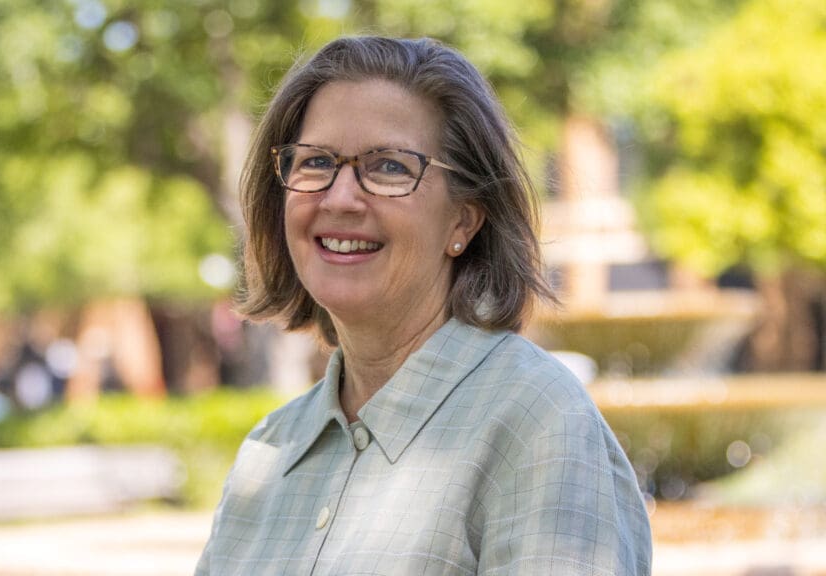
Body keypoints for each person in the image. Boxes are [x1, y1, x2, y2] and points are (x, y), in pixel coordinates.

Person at [196, 36, 652, 575]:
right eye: (316, 162)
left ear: (464, 219)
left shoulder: (539, 426)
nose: (340, 198)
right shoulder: (268, 453)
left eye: (389, 167)